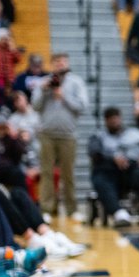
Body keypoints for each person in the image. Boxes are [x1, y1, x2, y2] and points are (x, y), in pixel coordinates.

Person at [89, 107, 139, 228]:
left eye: (116, 118)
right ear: (106, 121)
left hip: (132, 169)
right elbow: (94, 152)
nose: (114, 121)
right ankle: (119, 214)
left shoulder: (134, 134)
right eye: (111, 119)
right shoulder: (98, 136)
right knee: (100, 179)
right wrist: (112, 158)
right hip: (109, 171)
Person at [32, 53, 87, 218]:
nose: (60, 64)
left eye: (63, 61)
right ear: (52, 64)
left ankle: (72, 209)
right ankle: (47, 209)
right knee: (47, 172)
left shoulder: (76, 82)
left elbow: (83, 106)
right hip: (47, 134)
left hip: (68, 135)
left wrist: (65, 96)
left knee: (68, 173)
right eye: (56, 62)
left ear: (67, 63)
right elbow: (35, 106)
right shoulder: (44, 82)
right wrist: (43, 90)